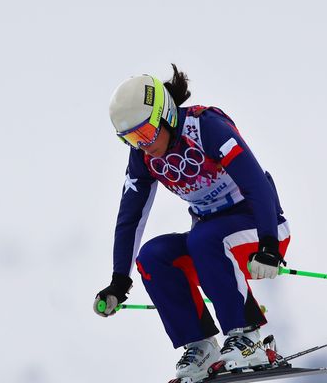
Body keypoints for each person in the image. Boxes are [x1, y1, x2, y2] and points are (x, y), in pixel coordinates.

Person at [93, 65, 291, 382]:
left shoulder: (206, 127)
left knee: (205, 239)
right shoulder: (144, 157)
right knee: (154, 256)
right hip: (211, 240)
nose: (142, 144)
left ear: (166, 115)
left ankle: (248, 337)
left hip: (260, 225)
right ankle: (201, 345)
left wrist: (269, 245)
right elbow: (131, 216)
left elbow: (255, 183)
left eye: (144, 133)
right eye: (130, 138)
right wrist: (120, 281)